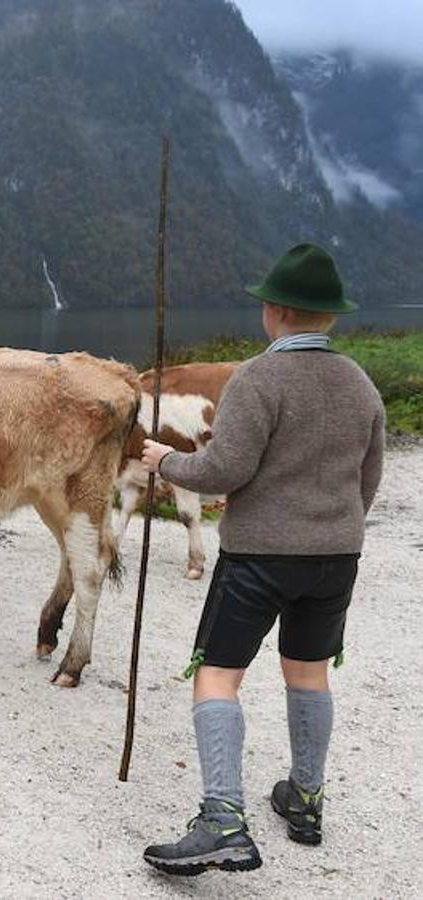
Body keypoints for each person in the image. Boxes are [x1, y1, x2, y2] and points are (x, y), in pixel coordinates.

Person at [139, 243, 386, 875]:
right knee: (308, 672)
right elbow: (369, 476)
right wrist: (335, 526)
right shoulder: (359, 383)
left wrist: (163, 462)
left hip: (258, 558)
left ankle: (222, 819)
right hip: (336, 557)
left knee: (218, 675)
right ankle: (305, 799)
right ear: (328, 316)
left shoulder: (258, 378)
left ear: (274, 311)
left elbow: (224, 468)